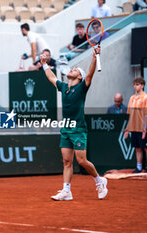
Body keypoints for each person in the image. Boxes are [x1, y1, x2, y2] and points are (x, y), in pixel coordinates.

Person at [41, 48, 108, 201]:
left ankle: (99, 181)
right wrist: (44, 64)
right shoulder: (64, 87)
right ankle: (66, 191)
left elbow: (90, 74)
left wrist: (94, 58)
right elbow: (51, 78)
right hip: (66, 128)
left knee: (82, 161)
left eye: (76, 70)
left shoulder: (82, 87)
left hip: (78, 129)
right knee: (67, 161)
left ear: (79, 76)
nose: (72, 70)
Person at [124, 77, 147, 173]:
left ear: (142, 85)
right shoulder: (131, 98)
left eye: (137, 84)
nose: (135, 86)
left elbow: (146, 114)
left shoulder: (146, 98)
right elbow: (130, 116)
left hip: (143, 129)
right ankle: (139, 167)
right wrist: (127, 129)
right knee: (137, 148)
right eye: (134, 84)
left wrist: (145, 129)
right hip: (134, 128)